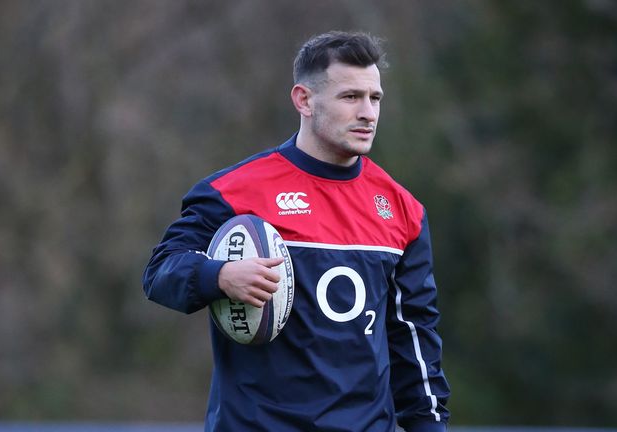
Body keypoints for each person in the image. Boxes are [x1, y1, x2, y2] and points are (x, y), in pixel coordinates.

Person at [143, 30, 451, 431]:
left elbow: (414, 339)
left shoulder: (402, 211)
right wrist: (219, 276)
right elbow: (160, 271)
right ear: (304, 100)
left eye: (374, 98)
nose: (368, 113)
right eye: (350, 97)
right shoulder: (233, 192)